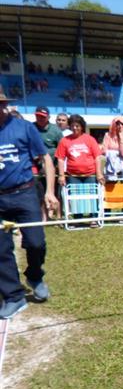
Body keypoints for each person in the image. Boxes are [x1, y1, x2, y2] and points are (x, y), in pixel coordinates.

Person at [0, 89, 58, 318]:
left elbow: (45, 158)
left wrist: (50, 192)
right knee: (1, 249)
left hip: (24, 193)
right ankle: (13, 296)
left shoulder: (24, 128)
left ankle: (34, 275)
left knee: (36, 242)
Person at [32, 106, 62, 219]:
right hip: (36, 167)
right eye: (38, 116)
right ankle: (44, 217)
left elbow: (62, 148)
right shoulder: (31, 128)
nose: (40, 118)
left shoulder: (56, 130)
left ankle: (59, 216)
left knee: (56, 193)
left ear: (48, 117)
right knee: (41, 193)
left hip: (53, 167)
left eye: (43, 117)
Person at [101, 116, 123, 181]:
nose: (120, 126)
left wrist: (121, 137)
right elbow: (103, 151)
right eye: (117, 124)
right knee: (110, 184)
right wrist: (116, 154)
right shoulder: (108, 135)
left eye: (122, 124)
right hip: (111, 164)